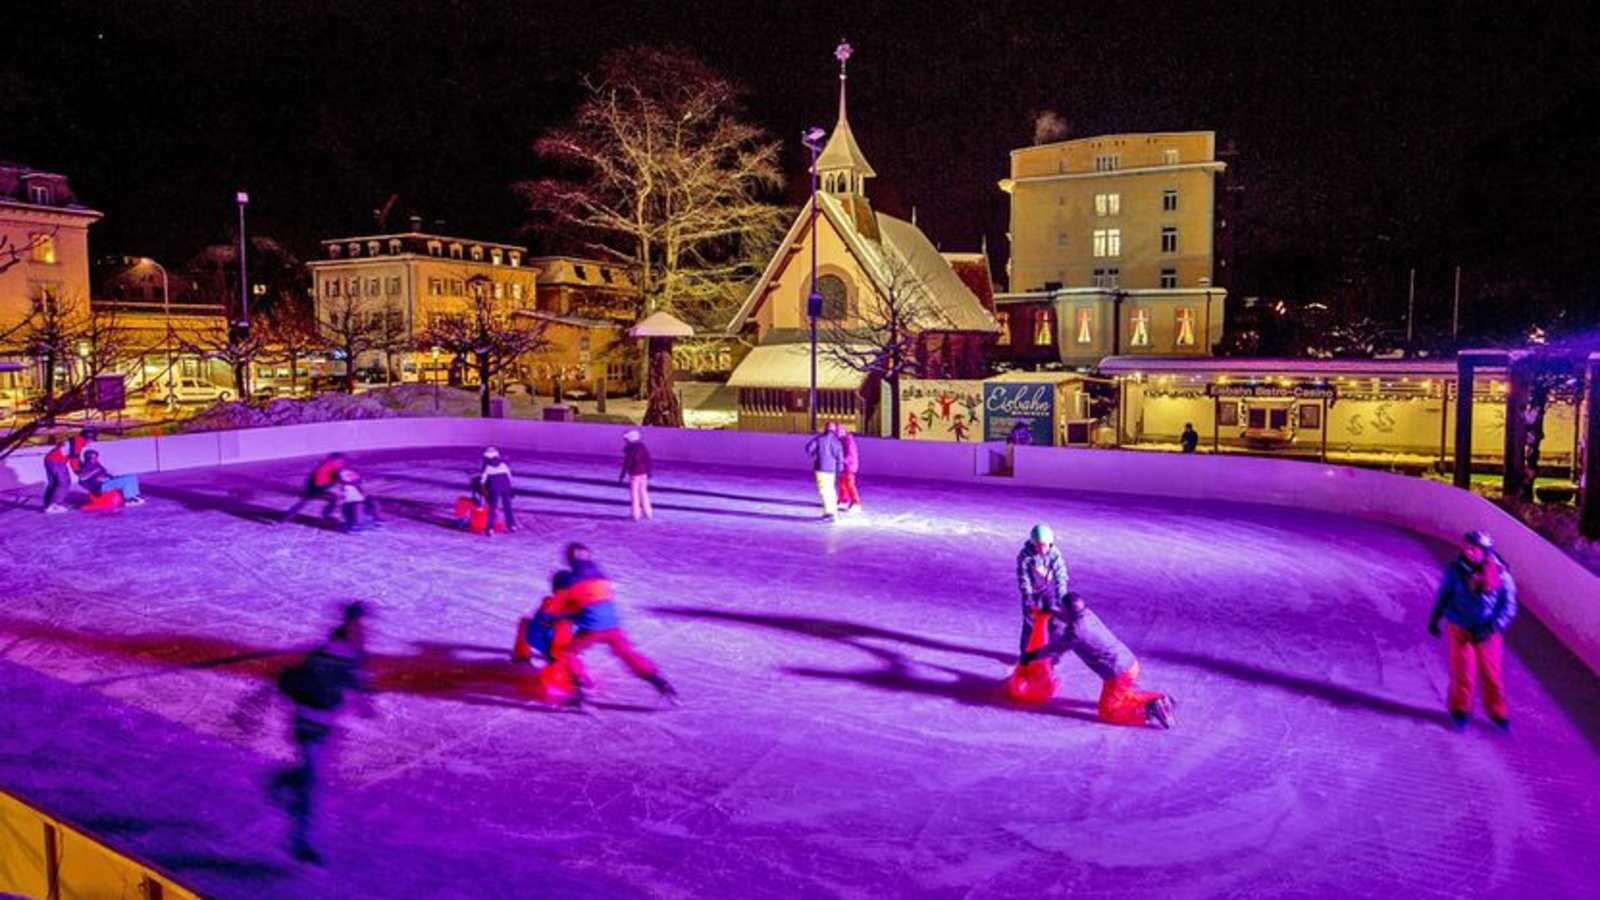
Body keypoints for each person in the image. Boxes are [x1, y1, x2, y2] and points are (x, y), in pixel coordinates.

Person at [270, 602, 373, 865]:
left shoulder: (349, 651)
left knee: (308, 774)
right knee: (311, 784)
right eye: (358, 623)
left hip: (324, 722)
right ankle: (300, 843)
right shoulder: (334, 653)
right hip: (308, 722)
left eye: (362, 623)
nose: (362, 628)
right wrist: (362, 696)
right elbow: (344, 677)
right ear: (349, 623)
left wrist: (364, 698)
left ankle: (283, 780)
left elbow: (356, 677)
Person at [1020, 592, 1177, 729]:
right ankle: (1160, 699)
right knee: (1124, 695)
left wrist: (1031, 656)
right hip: (1130, 663)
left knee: (1108, 712)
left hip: (1118, 674)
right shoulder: (1087, 614)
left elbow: (1054, 649)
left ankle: (1147, 710)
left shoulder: (1075, 633)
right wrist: (1052, 611)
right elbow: (1070, 617)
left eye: (1062, 607)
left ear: (1067, 610)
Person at [547, 543, 677, 706]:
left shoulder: (567, 581)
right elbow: (594, 601)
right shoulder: (602, 576)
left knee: (568, 653)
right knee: (627, 653)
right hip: (613, 626)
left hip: (593, 629)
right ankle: (659, 682)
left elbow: (558, 610)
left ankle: (581, 689)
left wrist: (559, 614)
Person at [1429, 530, 1518, 732]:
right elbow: (1446, 594)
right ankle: (1459, 710)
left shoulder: (1502, 575)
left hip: (1488, 632)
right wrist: (1436, 617)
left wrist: (1492, 627)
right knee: (1463, 672)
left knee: (1491, 675)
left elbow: (1508, 606)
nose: (1469, 552)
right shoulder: (1456, 569)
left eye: (1474, 549)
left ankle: (1498, 714)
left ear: (1486, 552)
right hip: (1460, 628)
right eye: (1466, 547)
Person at [1016, 523, 1070, 659]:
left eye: (1045, 545)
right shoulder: (1025, 556)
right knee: (1029, 624)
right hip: (1032, 593)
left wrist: (1061, 596)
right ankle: (1026, 654)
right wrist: (1027, 595)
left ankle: (1052, 654)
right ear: (1033, 544)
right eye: (1038, 545)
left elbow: (1061, 574)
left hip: (1049, 590)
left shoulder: (1054, 553)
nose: (1042, 548)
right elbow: (1023, 576)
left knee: (1056, 622)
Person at [279, 453, 346, 524]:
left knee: (333, 498)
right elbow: (321, 482)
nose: (341, 463)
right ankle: (285, 518)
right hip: (313, 491)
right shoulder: (327, 468)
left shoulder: (328, 466)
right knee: (304, 503)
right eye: (339, 461)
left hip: (312, 489)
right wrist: (337, 479)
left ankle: (325, 515)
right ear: (333, 460)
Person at [42, 427, 97, 514]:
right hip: (57, 461)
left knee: (54, 483)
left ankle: (48, 505)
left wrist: (81, 467)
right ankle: (54, 505)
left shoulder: (76, 440)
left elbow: (74, 457)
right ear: (87, 437)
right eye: (91, 440)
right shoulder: (78, 442)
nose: (91, 442)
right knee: (64, 482)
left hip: (50, 459)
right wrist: (78, 471)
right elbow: (74, 459)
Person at [804, 421, 845, 521]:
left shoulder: (820, 439)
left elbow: (809, 448)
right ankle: (833, 511)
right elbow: (840, 457)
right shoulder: (837, 442)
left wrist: (815, 455)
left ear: (825, 428)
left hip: (821, 467)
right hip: (832, 469)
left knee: (824, 490)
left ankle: (829, 513)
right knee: (830, 489)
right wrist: (839, 469)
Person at [75, 449, 146, 505]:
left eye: (96, 457)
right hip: (101, 486)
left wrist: (112, 477)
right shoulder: (86, 468)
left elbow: (104, 473)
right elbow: (81, 480)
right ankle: (129, 499)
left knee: (131, 476)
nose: (95, 459)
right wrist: (95, 485)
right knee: (125, 481)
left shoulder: (97, 464)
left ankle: (135, 495)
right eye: (93, 458)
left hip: (107, 481)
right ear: (88, 458)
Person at [480, 447, 516, 537]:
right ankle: (512, 525)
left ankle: (490, 528)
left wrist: (482, 486)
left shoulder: (487, 467)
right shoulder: (504, 464)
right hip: (505, 485)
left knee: (492, 508)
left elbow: (483, 479)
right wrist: (510, 488)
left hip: (494, 487)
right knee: (507, 506)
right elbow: (509, 476)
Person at [619, 430, 654, 521]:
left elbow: (627, 463)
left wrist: (622, 474)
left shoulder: (630, 449)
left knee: (634, 494)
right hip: (643, 473)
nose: (625, 440)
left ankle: (636, 514)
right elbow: (648, 460)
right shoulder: (642, 447)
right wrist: (649, 471)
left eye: (626, 439)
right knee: (643, 492)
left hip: (634, 474)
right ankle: (648, 513)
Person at [837, 424, 862, 513]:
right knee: (842, 483)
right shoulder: (842, 440)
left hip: (849, 466)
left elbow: (850, 455)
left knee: (849, 483)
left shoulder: (848, 440)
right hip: (845, 466)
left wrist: (842, 461)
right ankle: (843, 500)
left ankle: (856, 503)